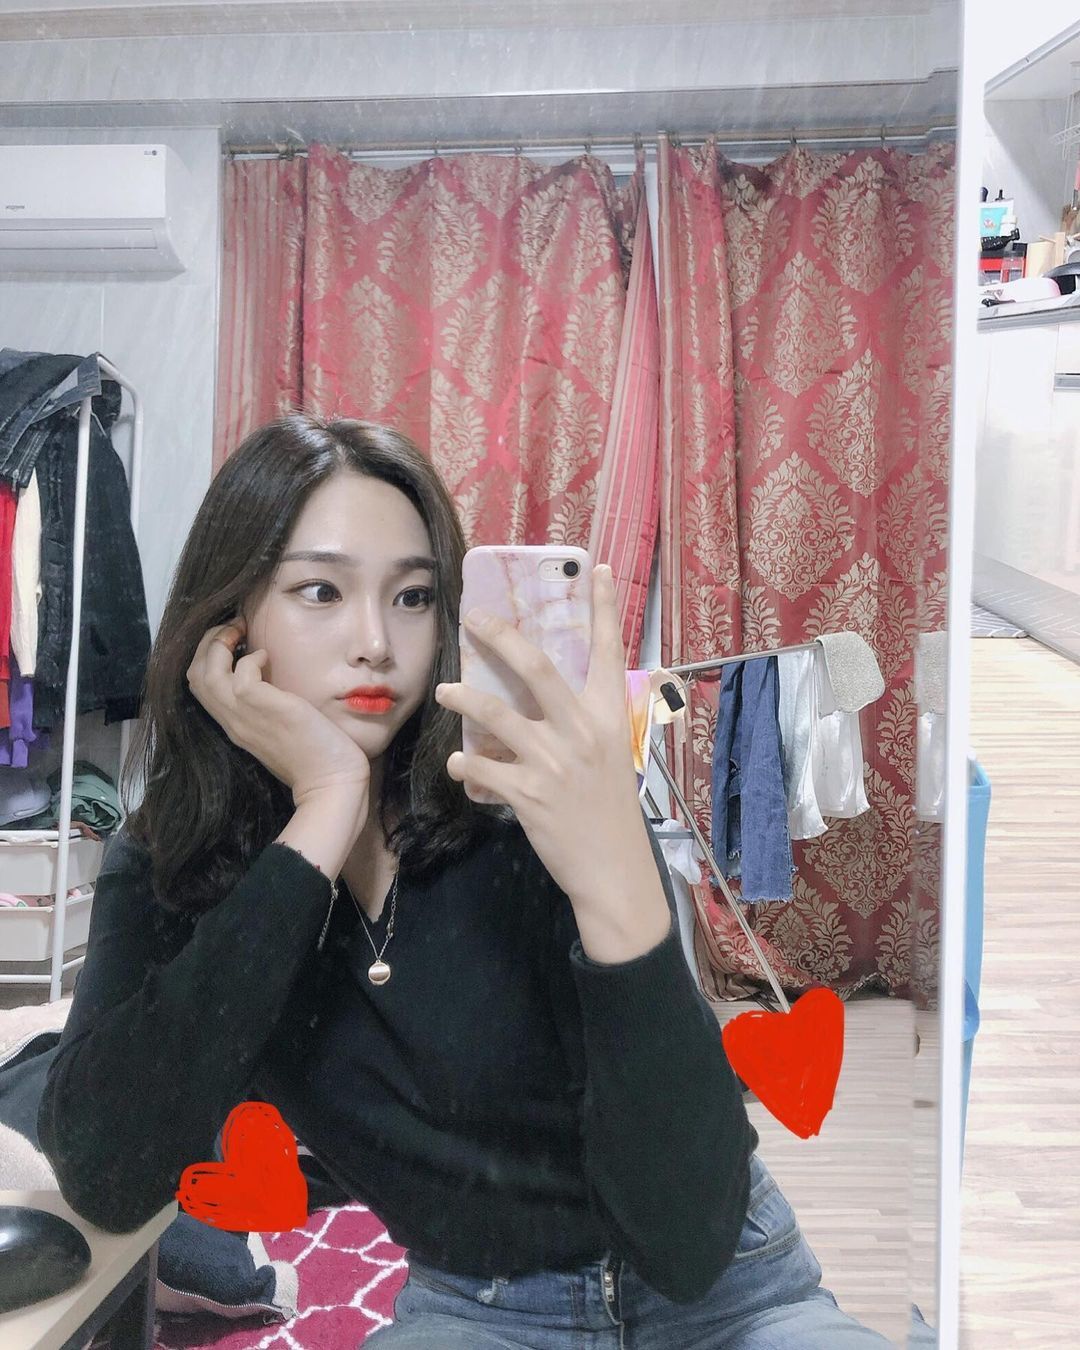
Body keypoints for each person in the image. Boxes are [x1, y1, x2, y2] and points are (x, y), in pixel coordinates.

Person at [38, 413, 901, 1347]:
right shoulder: (176, 859)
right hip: (481, 1311)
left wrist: (616, 880)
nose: (375, 642)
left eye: (413, 597)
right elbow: (107, 1175)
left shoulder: (523, 802)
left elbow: (686, 1241)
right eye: (321, 590)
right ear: (229, 622)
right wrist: (323, 810)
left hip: (732, 1296)